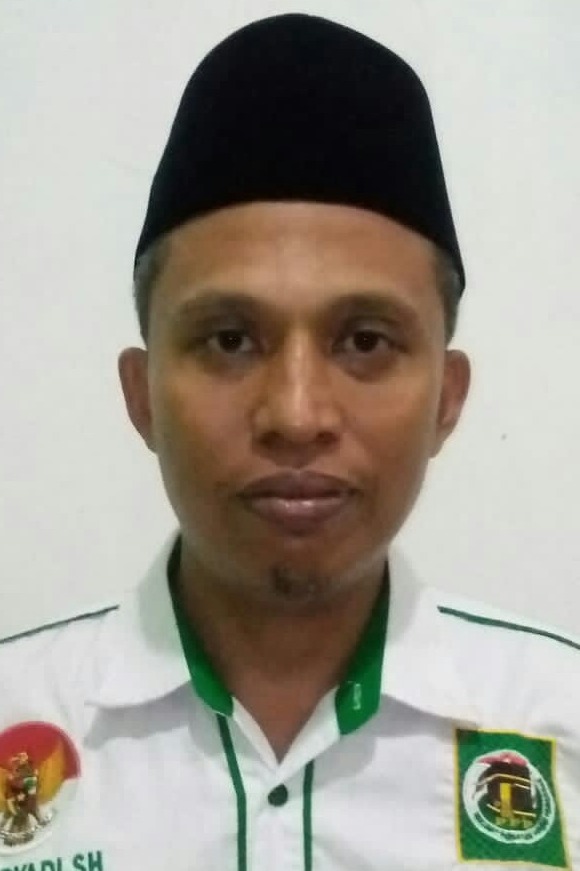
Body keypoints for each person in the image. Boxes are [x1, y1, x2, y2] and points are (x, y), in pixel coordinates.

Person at [0, 12, 578, 871]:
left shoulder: (560, 723)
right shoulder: (19, 715)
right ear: (141, 395)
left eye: (365, 340)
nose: (298, 414)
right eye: (231, 339)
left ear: (447, 400)